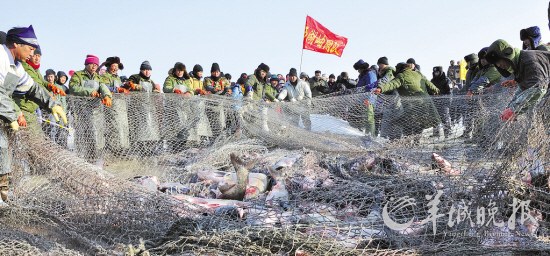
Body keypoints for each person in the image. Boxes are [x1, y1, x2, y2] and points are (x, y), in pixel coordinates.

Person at [1, 25, 67, 204]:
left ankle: (3, 194)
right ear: (16, 44)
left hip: (3, 115)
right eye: (30, 48)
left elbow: (31, 87)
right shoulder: (1, 57)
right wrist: (13, 114)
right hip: (4, 112)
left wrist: (52, 105)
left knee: (4, 153)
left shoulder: (17, 66)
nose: (32, 53)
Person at [485, 39, 549, 121]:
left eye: (498, 61)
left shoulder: (528, 61)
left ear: (507, 54)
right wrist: (509, 108)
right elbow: (523, 89)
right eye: (496, 63)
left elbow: (538, 89)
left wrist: (514, 109)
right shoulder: (519, 64)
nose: (498, 65)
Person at [373, 62, 440, 141]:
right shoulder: (418, 74)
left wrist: (380, 89)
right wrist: (436, 90)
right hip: (426, 105)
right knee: (419, 124)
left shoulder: (401, 76)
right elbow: (430, 84)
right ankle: (416, 142)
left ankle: (407, 142)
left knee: (405, 123)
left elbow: (392, 84)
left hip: (412, 106)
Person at [69, 54, 113, 165]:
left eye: (96, 64)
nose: (94, 66)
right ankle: (82, 158)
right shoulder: (78, 75)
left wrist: (107, 96)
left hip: (96, 110)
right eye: (91, 64)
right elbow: (73, 88)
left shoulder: (98, 77)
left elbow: (103, 87)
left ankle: (95, 158)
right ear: (86, 64)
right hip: (82, 110)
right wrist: (89, 91)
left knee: (97, 135)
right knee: (84, 134)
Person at [430, 66, 452, 138]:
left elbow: (450, 92)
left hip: (444, 103)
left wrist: (448, 102)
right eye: (435, 72)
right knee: (435, 118)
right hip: (435, 102)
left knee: (445, 118)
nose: (436, 74)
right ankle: (436, 134)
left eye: (437, 72)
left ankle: (447, 133)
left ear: (440, 72)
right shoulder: (432, 81)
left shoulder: (446, 80)